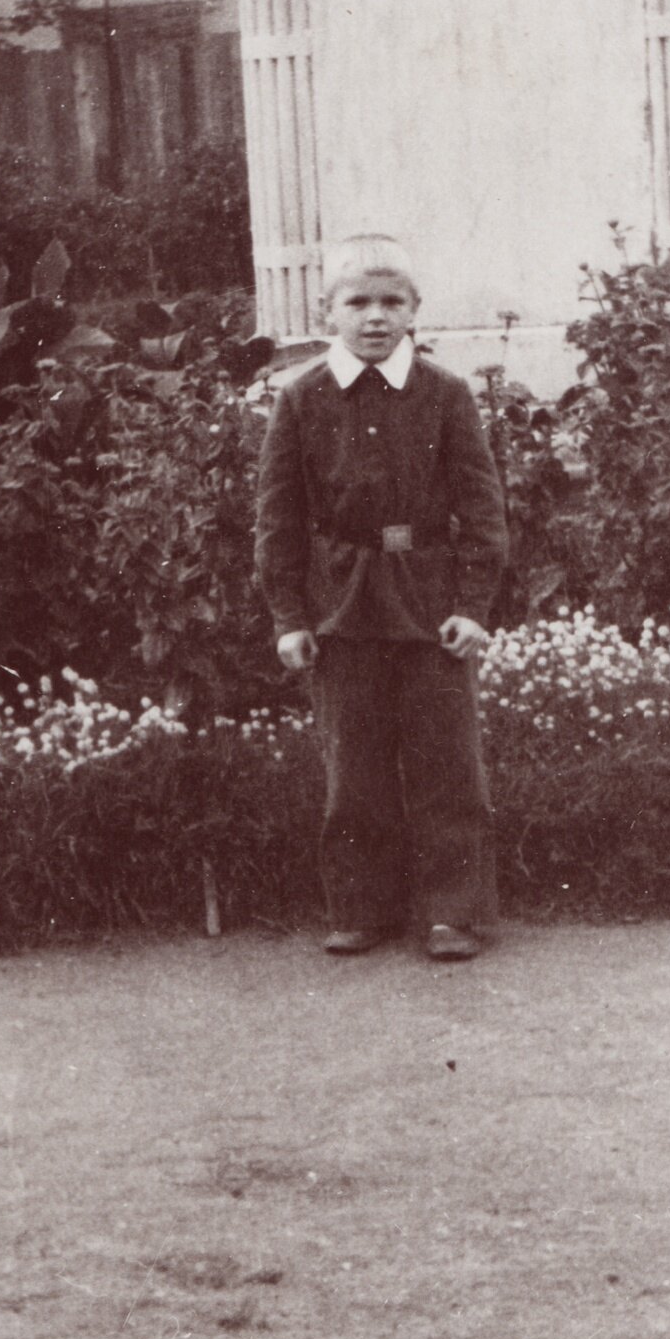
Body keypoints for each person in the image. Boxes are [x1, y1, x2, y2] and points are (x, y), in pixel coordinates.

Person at [254, 236, 508, 962]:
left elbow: (482, 510)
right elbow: (278, 518)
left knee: (447, 766)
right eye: (357, 301)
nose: (375, 316)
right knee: (354, 770)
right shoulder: (301, 398)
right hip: (341, 606)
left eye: (392, 301)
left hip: (431, 608)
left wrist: (472, 606)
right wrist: (290, 617)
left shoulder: (444, 394)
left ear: (414, 310)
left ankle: (453, 913)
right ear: (327, 311)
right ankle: (362, 907)